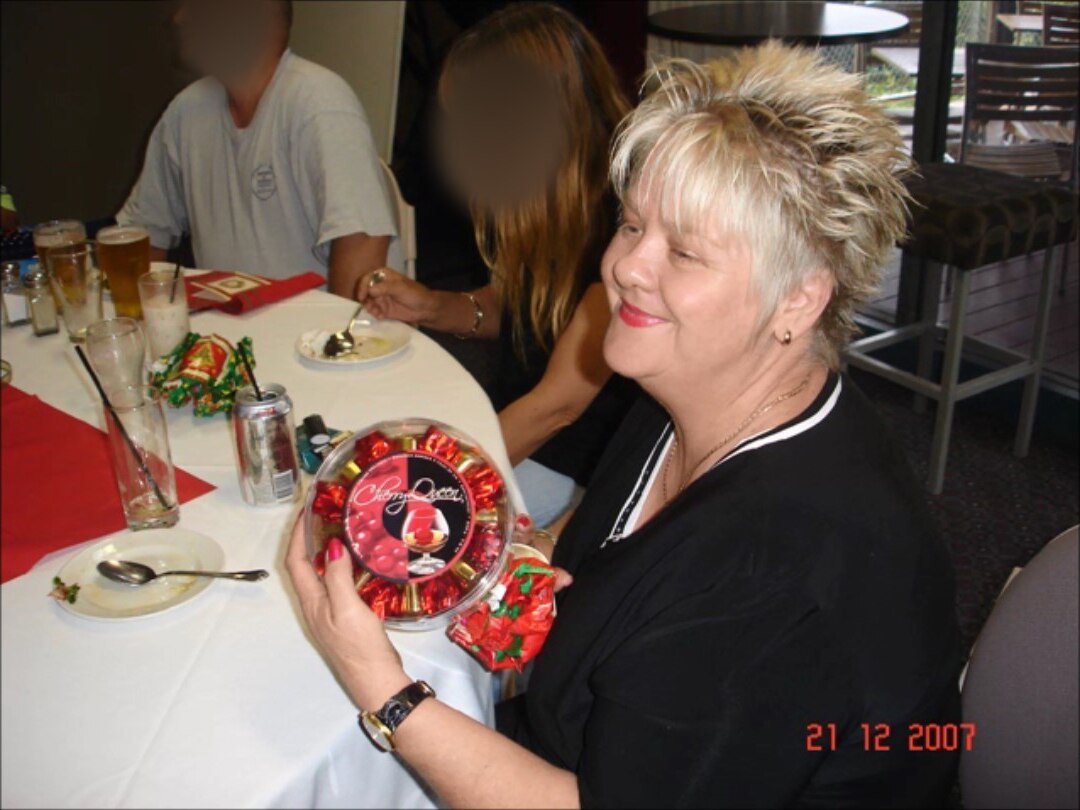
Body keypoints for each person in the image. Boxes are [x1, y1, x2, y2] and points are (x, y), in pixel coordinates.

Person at [287, 43, 962, 807]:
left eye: (684, 251)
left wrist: (382, 688)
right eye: (634, 224)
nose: (627, 267)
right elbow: (617, 559)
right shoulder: (685, 398)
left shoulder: (774, 576)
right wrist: (514, 556)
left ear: (800, 301)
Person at [355, 3, 636, 527]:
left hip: (578, 465)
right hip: (520, 428)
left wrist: (425, 480)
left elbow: (557, 408)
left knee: (413, 530)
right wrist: (432, 306)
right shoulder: (543, 202)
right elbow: (518, 308)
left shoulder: (621, 222)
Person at [117, 0, 401, 295]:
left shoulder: (319, 102)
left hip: (311, 334)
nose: (180, 18)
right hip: (233, 332)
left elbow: (364, 247)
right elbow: (143, 236)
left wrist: (332, 339)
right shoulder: (186, 112)